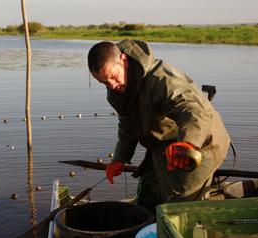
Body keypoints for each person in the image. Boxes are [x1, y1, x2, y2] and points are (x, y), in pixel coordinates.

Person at [87, 40, 230, 214]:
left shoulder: (162, 80)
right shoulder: (117, 91)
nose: (112, 85)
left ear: (123, 60)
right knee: (148, 195)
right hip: (164, 145)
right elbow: (127, 125)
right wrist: (119, 158)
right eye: (104, 82)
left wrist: (188, 144)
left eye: (113, 77)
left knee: (181, 205)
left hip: (201, 142)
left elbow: (194, 110)